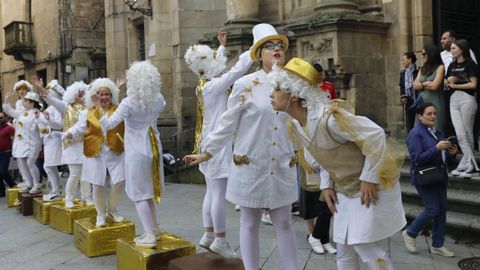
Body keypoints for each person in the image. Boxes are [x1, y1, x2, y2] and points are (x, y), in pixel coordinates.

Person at [268, 57, 406, 270]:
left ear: (294, 95)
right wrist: (327, 185)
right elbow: (324, 156)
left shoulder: (330, 118)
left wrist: (369, 179)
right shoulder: (295, 124)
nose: (271, 94)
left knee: (364, 245)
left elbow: (376, 135)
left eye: (276, 89)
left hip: (368, 188)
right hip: (343, 190)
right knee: (344, 250)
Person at [183, 23, 299, 270]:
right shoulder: (245, 84)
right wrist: (207, 151)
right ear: (259, 54)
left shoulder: (294, 84)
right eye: (269, 46)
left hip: (281, 163)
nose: (276, 49)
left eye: (280, 46)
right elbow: (226, 123)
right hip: (251, 164)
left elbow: (303, 123)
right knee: (249, 223)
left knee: (285, 222)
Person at [184, 30, 253, 258]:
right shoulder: (214, 86)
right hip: (217, 144)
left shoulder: (204, 84)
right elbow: (235, 71)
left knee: (211, 191)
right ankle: (220, 240)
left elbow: (216, 68)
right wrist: (254, 50)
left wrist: (221, 47)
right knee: (218, 194)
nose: (219, 62)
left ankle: (208, 234)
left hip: (206, 141)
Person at [98, 61, 165, 248]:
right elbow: (159, 105)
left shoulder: (128, 103)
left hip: (136, 151)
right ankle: (155, 228)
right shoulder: (158, 98)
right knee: (148, 192)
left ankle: (149, 234)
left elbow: (109, 124)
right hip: (153, 148)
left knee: (139, 194)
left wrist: (102, 110)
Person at [59, 78, 126, 227]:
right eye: (100, 94)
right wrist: (68, 134)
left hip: (115, 150)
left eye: (107, 94)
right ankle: (100, 214)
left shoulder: (119, 109)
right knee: (97, 184)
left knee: (119, 181)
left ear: (111, 95)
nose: (103, 97)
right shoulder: (87, 112)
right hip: (95, 151)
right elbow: (79, 128)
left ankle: (113, 209)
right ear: (94, 95)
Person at [405, 102, 458, 257]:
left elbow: (441, 158)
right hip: (424, 177)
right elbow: (417, 159)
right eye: (429, 113)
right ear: (420, 116)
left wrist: (451, 153)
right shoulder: (415, 133)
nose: (433, 116)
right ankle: (410, 233)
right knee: (432, 209)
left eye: (435, 113)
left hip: (439, 176)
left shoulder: (438, 132)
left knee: (441, 211)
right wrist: (436, 148)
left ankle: (437, 245)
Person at [36, 79, 93, 207]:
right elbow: (51, 100)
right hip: (71, 144)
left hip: (87, 144)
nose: (81, 96)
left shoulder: (90, 108)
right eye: (79, 94)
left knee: (87, 173)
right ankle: (69, 197)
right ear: (73, 94)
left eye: (83, 93)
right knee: (74, 173)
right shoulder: (66, 107)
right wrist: (41, 89)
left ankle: (87, 196)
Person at [444, 39, 479, 177]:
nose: (451, 50)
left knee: (467, 133)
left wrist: (455, 84)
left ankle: (466, 164)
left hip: (467, 98)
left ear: (461, 49)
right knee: (460, 133)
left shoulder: (470, 64)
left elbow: (473, 84)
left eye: (453, 48)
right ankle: (471, 164)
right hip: (453, 99)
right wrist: (449, 82)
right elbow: (446, 84)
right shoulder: (451, 65)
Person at [3, 92, 42, 194]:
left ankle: (37, 184)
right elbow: (9, 110)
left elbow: (43, 126)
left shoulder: (37, 113)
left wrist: (40, 119)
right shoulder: (21, 113)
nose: (23, 102)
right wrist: (6, 99)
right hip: (21, 142)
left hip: (33, 142)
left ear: (32, 102)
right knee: (22, 163)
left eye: (25, 101)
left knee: (30, 163)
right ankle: (29, 184)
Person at [35, 80, 65, 201]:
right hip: (48, 139)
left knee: (49, 166)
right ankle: (56, 189)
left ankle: (56, 190)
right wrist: (39, 119)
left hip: (54, 138)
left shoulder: (58, 108)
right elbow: (44, 126)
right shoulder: (51, 107)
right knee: (49, 166)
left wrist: (48, 120)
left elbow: (59, 125)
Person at [413, 45, 445, 133]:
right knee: (420, 129)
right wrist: (426, 84)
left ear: (431, 54)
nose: (422, 56)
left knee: (436, 127)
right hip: (422, 103)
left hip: (435, 102)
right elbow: (415, 85)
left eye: (424, 54)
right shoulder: (422, 68)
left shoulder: (440, 67)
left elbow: (434, 86)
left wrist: (422, 85)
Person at [399, 52, 419, 132]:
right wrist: (403, 96)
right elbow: (401, 86)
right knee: (409, 122)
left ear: (410, 60)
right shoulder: (403, 72)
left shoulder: (418, 70)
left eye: (404, 60)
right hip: (408, 100)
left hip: (417, 99)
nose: (402, 62)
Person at [0, 112, 16, 197]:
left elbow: (13, 140)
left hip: (6, 152)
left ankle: (12, 184)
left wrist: (14, 152)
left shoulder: (9, 128)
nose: (0, 120)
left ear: (5, 118)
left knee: (2, 171)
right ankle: (1, 192)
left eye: (1, 118)